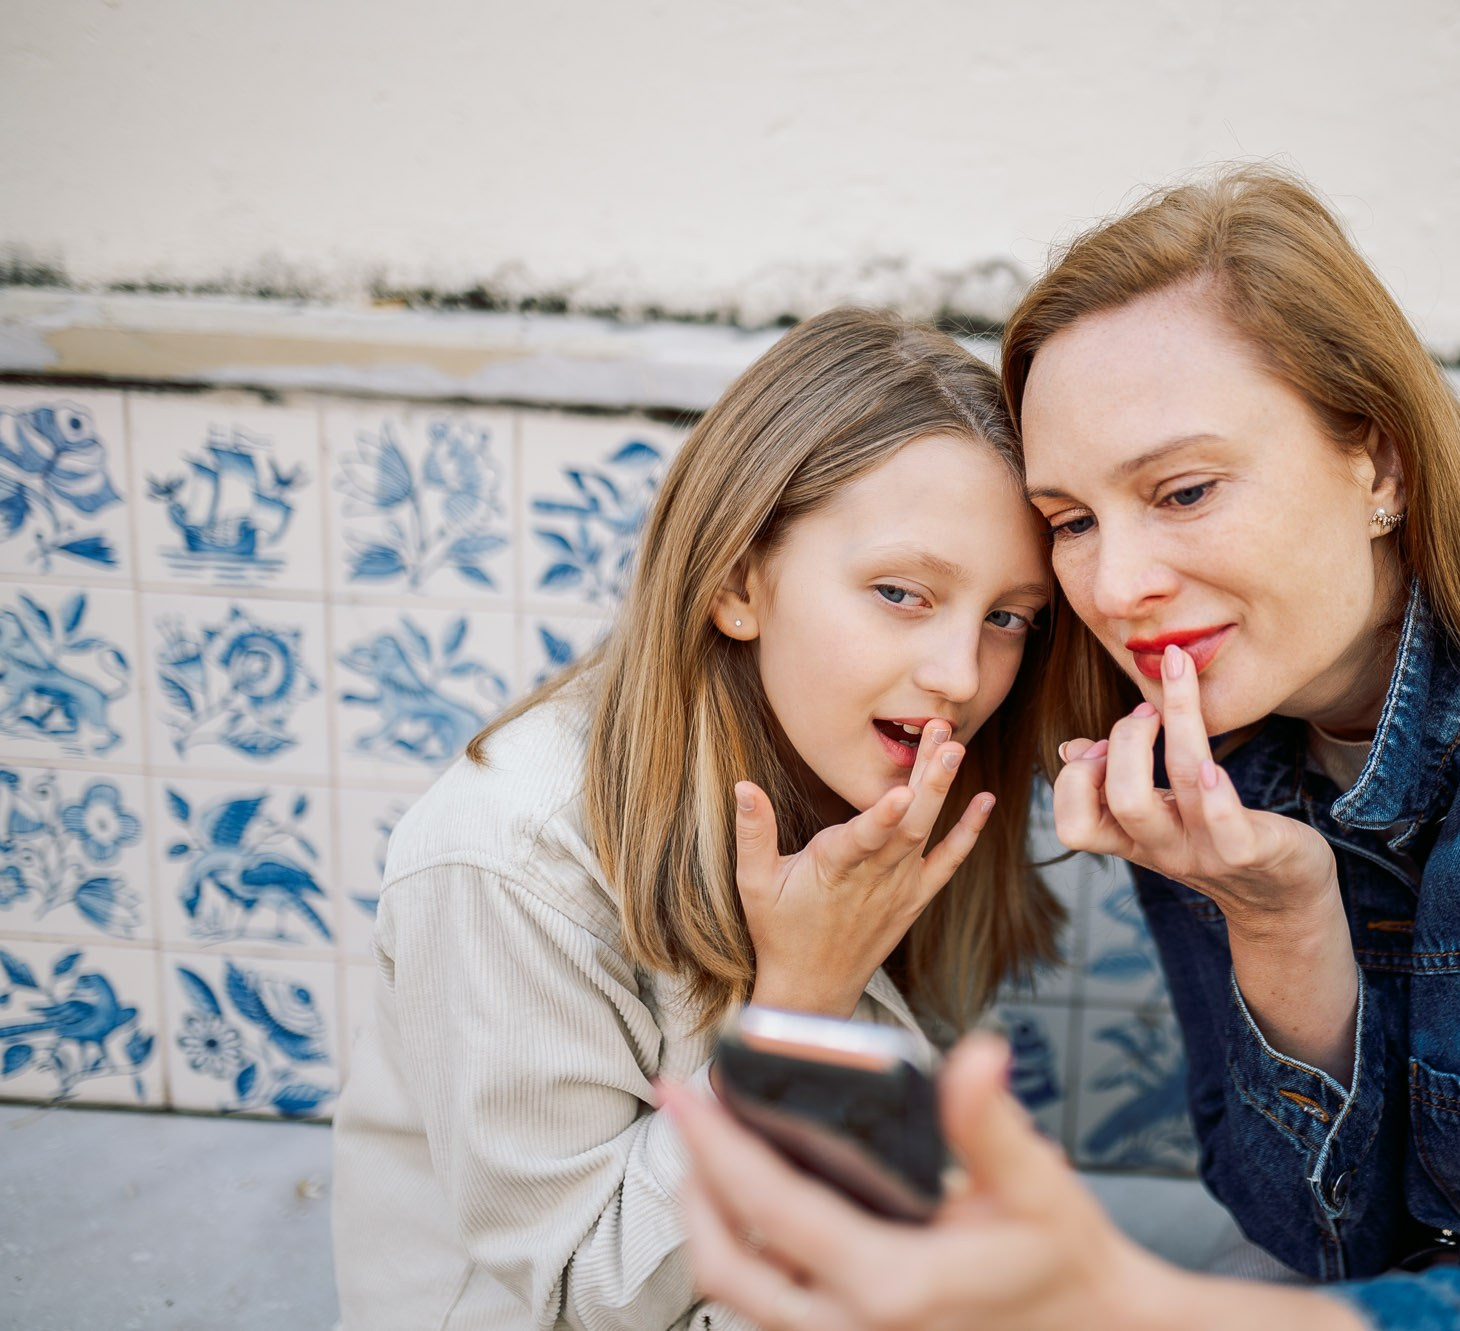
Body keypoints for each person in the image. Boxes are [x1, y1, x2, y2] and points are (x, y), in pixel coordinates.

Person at [659, 167, 1460, 1330]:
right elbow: (1317, 1240)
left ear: (1380, 458)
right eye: (1072, 520)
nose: (1119, 585)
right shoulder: (1186, 725)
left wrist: (1128, 1301)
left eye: (1185, 490)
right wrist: (1284, 927)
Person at [330, 308, 1064, 1331]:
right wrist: (795, 1014)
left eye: (1006, 617)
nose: (959, 674)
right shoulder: (506, 854)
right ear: (734, 579)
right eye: (900, 591)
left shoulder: (872, 791)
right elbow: (584, 1290)